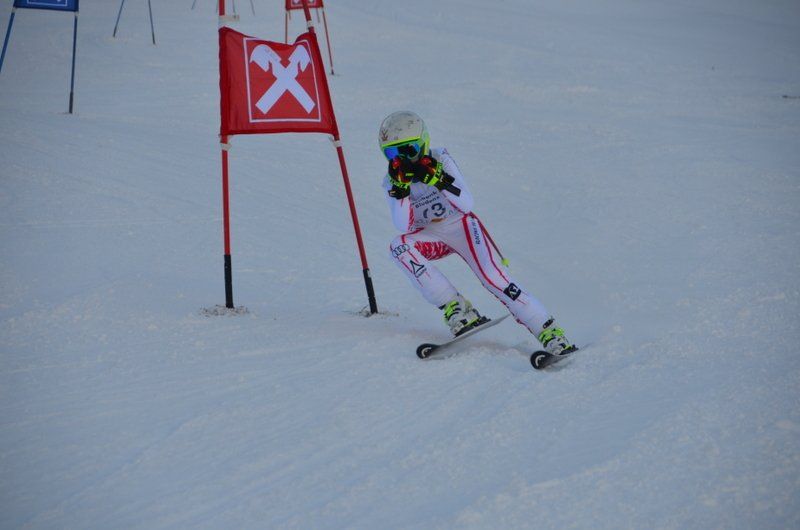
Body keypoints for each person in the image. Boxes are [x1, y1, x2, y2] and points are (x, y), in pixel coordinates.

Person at [379, 111, 575, 356]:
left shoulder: (441, 159)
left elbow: (466, 204)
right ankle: (457, 309)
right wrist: (401, 190)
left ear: (424, 143)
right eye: (392, 154)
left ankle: (551, 333)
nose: (402, 160)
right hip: (431, 236)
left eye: (409, 150)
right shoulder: (391, 181)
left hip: (462, 227)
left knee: (493, 277)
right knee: (398, 246)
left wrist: (439, 180)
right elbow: (404, 225)